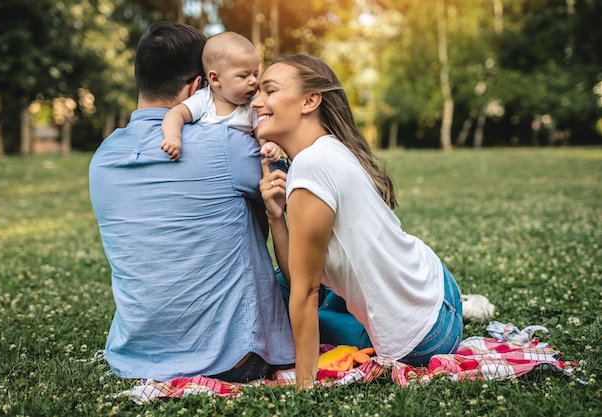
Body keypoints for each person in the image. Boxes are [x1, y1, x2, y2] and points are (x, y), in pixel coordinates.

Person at [88, 21, 294, 383]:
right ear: (200, 84)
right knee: (319, 283)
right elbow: (296, 193)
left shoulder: (102, 158)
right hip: (231, 359)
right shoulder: (227, 143)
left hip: (135, 358)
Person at [252, 54, 463, 387]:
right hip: (432, 288)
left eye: (269, 90)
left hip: (426, 335)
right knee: (297, 287)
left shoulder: (311, 165)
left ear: (309, 100)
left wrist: (305, 385)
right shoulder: (327, 150)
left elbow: (305, 290)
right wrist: (277, 218)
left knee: (291, 301)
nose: (256, 101)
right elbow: (300, 278)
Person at [160, 31, 282, 163]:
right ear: (215, 78)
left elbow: (261, 135)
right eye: (243, 76)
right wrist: (173, 137)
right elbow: (175, 114)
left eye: (255, 74)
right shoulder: (204, 100)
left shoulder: (252, 106)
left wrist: (268, 146)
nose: (253, 81)